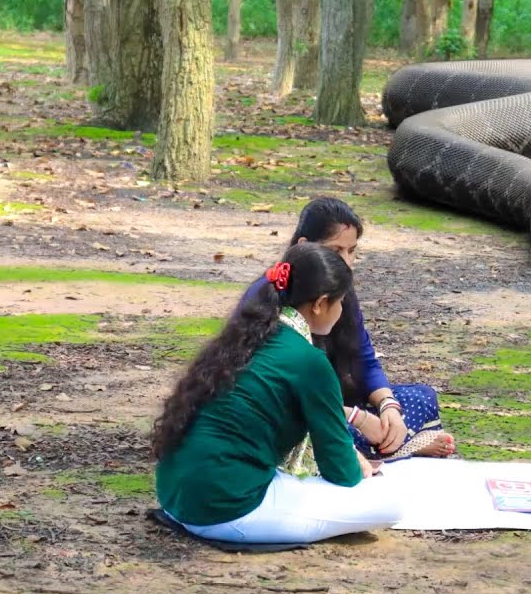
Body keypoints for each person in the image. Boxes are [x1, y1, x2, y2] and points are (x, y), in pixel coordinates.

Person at [154, 243, 402, 544]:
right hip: (226, 509)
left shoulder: (245, 336)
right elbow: (341, 472)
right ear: (320, 304)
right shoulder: (309, 361)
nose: (341, 312)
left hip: (174, 497)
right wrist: (357, 466)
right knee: (391, 504)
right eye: (340, 303)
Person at [285, 197, 453, 460]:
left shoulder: (342, 292)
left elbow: (365, 358)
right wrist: (357, 418)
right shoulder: (280, 313)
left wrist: (388, 406)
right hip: (299, 413)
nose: (346, 261)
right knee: (322, 435)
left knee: (421, 397)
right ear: (318, 305)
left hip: (338, 403)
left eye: (352, 251)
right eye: (335, 250)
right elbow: (289, 398)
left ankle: (386, 443)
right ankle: (400, 446)